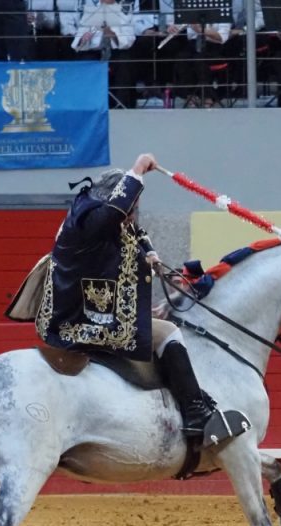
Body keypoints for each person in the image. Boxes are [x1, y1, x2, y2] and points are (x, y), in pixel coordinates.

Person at [31, 153, 247, 446]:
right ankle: (196, 414)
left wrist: (150, 253)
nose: (132, 215)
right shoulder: (96, 218)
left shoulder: (89, 210)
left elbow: (133, 229)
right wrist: (137, 170)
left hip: (79, 312)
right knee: (169, 332)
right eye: (131, 208)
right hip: (80, 322)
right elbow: (117, 214)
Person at [71, 0, 137, 108]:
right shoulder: (91, 11)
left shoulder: (123, 11)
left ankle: (121, 105)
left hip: (115, 52)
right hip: (94, 51)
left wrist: (113, 35)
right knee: (85, 61)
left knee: (124, 62)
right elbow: (77, 40)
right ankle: (89, 105)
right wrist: (83, 39)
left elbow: (130, 39)